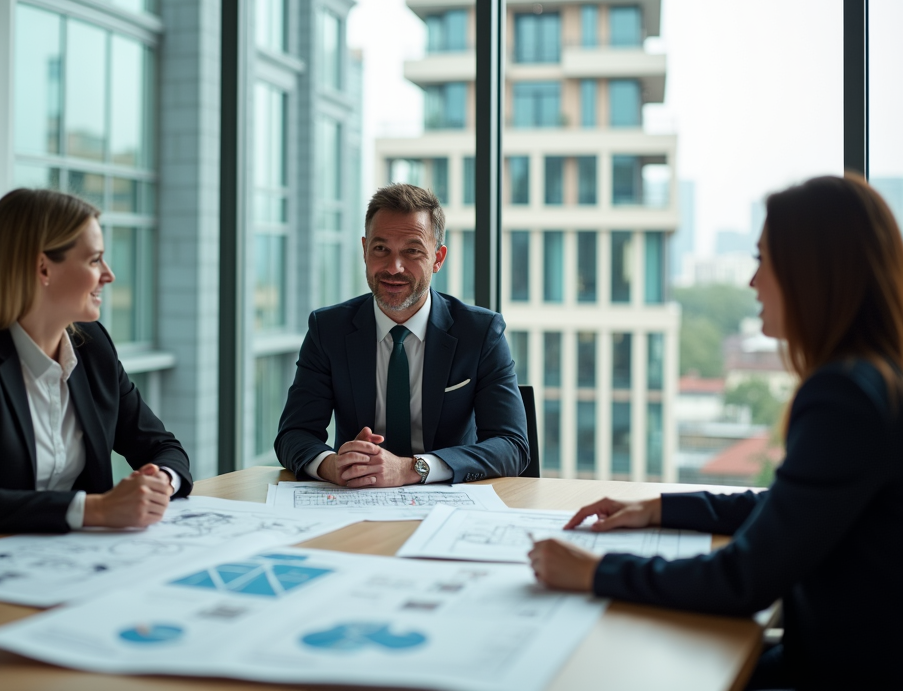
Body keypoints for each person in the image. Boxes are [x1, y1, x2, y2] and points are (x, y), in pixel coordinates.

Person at [528, 174, 902, 691]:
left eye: (763, 260)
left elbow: (742, 579)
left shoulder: (845, 396)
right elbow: (788, 508)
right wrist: (660, 507)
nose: (753, 283)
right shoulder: (878, 376)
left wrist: (594, 571)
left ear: (810, 272)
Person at [0, 189, 192, 551]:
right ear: (43, 268)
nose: (109, 275)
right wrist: (97, 509)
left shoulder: (93, 348)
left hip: (49, 560)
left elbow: (163, 446)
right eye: (94, 260)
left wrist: (160, 483)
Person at [275, 183, 529, 487]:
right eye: (381, 249)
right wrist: (334, 466)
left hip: (449, 507)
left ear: (438, 258)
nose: (394, 267)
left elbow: (511, 445)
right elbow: (294, 434)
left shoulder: (481, 333)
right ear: (365, 251)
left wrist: (412, 468)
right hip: (355, 506)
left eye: (412, 251)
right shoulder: (327, 329)